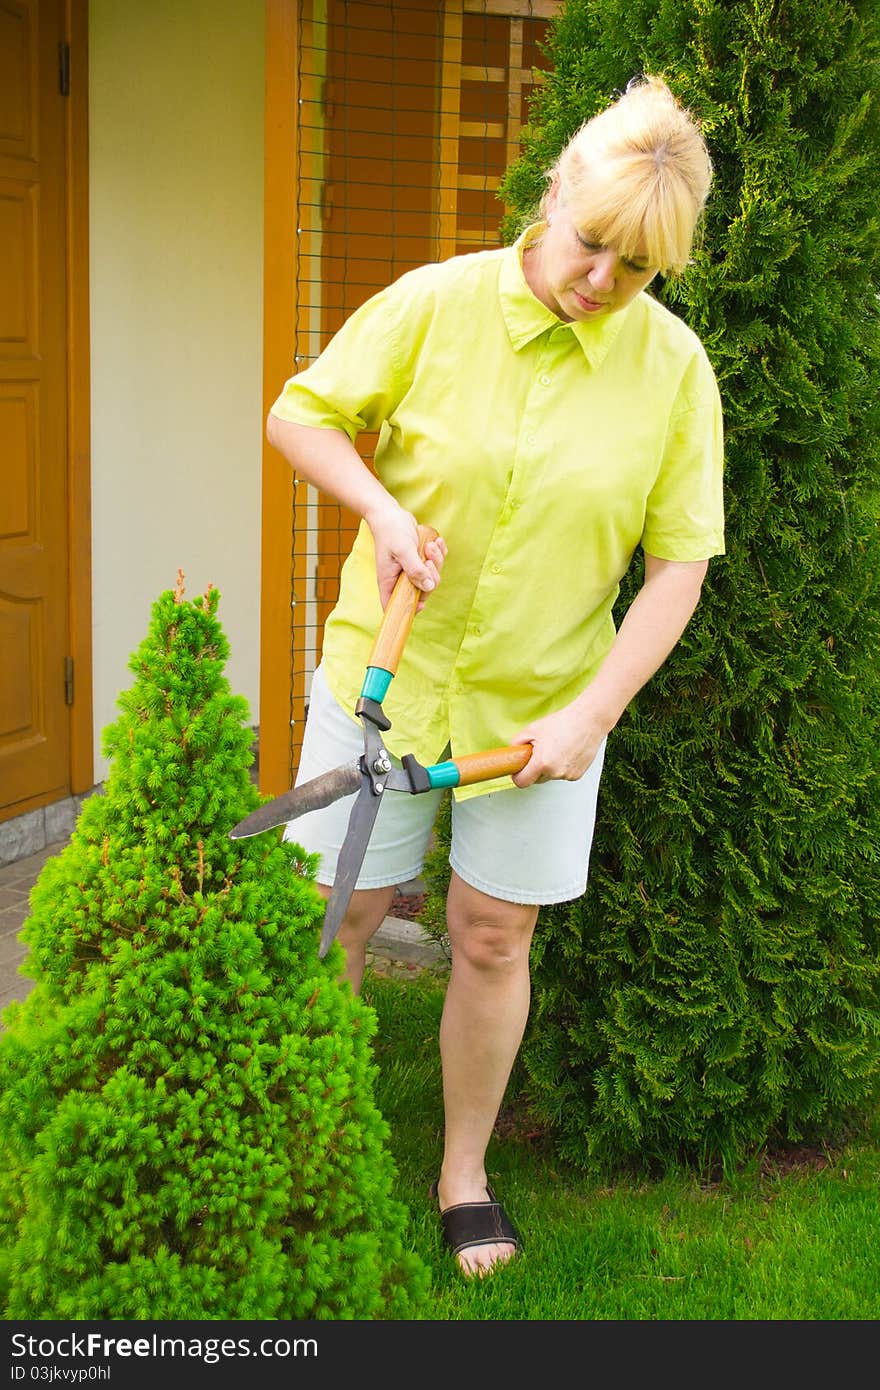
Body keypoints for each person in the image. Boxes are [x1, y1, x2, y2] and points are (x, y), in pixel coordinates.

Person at [266, 74, 724, 1277]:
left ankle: (462, 1171)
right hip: (387, 675)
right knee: (340, 916)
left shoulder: (673, 371)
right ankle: (307, 1141)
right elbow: (301, 414)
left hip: (541, 709)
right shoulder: (435, 302)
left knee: (486, 935)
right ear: (555, 188)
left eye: (637, 268)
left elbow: (676, 568)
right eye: (592, 245)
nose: (600, 283)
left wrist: (592, 713)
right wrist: (381, 505)